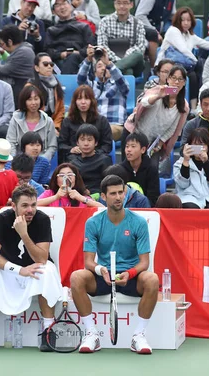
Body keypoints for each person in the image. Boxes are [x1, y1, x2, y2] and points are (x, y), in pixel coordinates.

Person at [0, 184, 62, 352]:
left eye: (33, 205)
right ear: (14, 206)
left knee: (46, 270)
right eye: (25, 205)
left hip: (35, 271)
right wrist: (18, 270)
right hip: (11, 272)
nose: (30, 210)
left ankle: (48, 330)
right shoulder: (3, 219)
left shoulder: (42, 220)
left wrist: (24, 233)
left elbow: (42, 258)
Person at [70, 174, 158, 354]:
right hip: (104, 276)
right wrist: (100, 269)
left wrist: (130, 274)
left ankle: (139, 336)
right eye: (113, 193)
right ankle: (91, 333)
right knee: (76, 277)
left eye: (121, 192)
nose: (118, 197)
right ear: (103, 196)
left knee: (152, 280)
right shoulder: (93, 223)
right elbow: (88, 261)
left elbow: (144, 263)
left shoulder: (139, 222)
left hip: (130, 276)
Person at [123, 65, 189, 164]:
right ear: (168, 79)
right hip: (135, 133)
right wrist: (158, 96)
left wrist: (159, 144)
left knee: (151, 172)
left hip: (153, 144)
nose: (176, 82)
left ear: (184, 83)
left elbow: (173, 129)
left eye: (180, 79)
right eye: (174, 78)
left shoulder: (183, 106)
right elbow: (144, 103)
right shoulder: (158, 91)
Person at [158, 7, 209, 110]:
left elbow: (206, 44)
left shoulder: (190, 35)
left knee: (194, 75)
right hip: (168, 66)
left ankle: (194, 106)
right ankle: (198, 101)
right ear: (178, 20)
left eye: (188, 20)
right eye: (183, 20)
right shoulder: (173, 31)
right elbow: (183, 49)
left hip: (185, 67)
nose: (185, 23)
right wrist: (196, 61)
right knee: (199, 66)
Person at [77, 45, 129, 140]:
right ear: (95, 72)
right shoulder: (92, 86)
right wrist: (88, 59)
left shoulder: (118, 84)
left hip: (115, 126)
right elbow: (80, 79)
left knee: (98, 132)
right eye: (99, 66)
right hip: (93, 127)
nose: (103, 68)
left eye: (105, 66)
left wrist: (109, 63)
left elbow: (122, 82)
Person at [135, 0, 185, 65]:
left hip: (159, 31)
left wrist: (183, 26)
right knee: (153, 35)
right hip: (143, 31)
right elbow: (139, 15)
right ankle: (154, 67)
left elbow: (172, 15)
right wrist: (154, 31)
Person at [174, 128, 209, 209]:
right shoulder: (180, 163)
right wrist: (186, 161)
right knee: (191, 208)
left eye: (202, 145)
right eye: (195, 145)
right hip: (188, 197)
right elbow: (182, 184)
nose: (198, 148)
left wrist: (206, 162)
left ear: (208, 146)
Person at [58, 85, 112, 163]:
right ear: (75, 101)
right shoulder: (67, 121)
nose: (83, 102)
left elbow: (107, 145)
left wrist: (94, 152)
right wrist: (71, 149)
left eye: (86, 98)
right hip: (75, 158)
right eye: (79, 99)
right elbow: (61, 144)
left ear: (92, 101)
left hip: (96, 158)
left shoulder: (102, 121)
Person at [97, 0, 145, 77]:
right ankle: (118, 68)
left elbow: (141, 47)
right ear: (114, 4)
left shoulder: (138, 23)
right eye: (118, 3)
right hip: (110, 60)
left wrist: (126, 58)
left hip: (134, 62)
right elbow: (102, 45)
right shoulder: (105, 22)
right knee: (128, 72)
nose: (122, 6)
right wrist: (117, 59)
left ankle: (112, 71)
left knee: (138, 54)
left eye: (125, 3)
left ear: (131, 5)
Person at [45, 0, 95, 75]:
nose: (62, 7)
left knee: (73, 57)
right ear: (53, 11)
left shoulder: (84, 26)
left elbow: (90, 46)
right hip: (58, 61)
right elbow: (47, 50)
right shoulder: (51, 30)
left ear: (70, 6)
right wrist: (61, 54)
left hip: (81, 59)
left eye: (64, 3)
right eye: (58, 5)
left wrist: (78, 53)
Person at [6, 84, 57, 161]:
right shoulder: (15, 119)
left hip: (41, 162)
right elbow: (11, 143)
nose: (33, 103)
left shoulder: (48, 121)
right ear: (24, 101)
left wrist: (42, 160)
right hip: (20, 162)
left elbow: (52, 146)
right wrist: (15, 161)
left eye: (36, 99)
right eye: (29, 99)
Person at [67, 124, 112, 195]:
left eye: (89, 140)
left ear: (96, 142)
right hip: (77, 196)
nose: (86, 143)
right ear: (77, 143)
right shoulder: (73, 162)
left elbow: (109, 184)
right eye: (82, 139)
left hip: (99, 197)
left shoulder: (104, 160)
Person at [26, 52, 65, 133]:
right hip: (35, 127)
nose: (49, 66)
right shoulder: (30, 87)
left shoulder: (57, 85)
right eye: (45, 64)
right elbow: (28, 112)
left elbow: (60, 110)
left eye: (51, 64)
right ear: (37, 68)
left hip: (54, 125)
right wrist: (48, 128)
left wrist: (56, 127)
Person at [0, 25, 35, 105]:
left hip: (20, 92)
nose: (2, 47)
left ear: (10, 42)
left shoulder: (24, 52)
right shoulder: (22, 50)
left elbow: (5, 69)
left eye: (2, 44)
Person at [37, 163, 103, 207]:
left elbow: (102, 208)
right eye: (62, 175)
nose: (66, 178)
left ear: (76, 179)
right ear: (56, 180)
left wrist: (81, 198)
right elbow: (34, 204)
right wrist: (56, 197)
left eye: (70, 175)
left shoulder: (80, 196)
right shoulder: (49, 193)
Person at [121, 133, 160, 206]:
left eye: (133, 146)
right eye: (127, 146)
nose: (128, 150)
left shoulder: (151, 169)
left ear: (143, 149)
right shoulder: (120, 169)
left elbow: (153, 197)